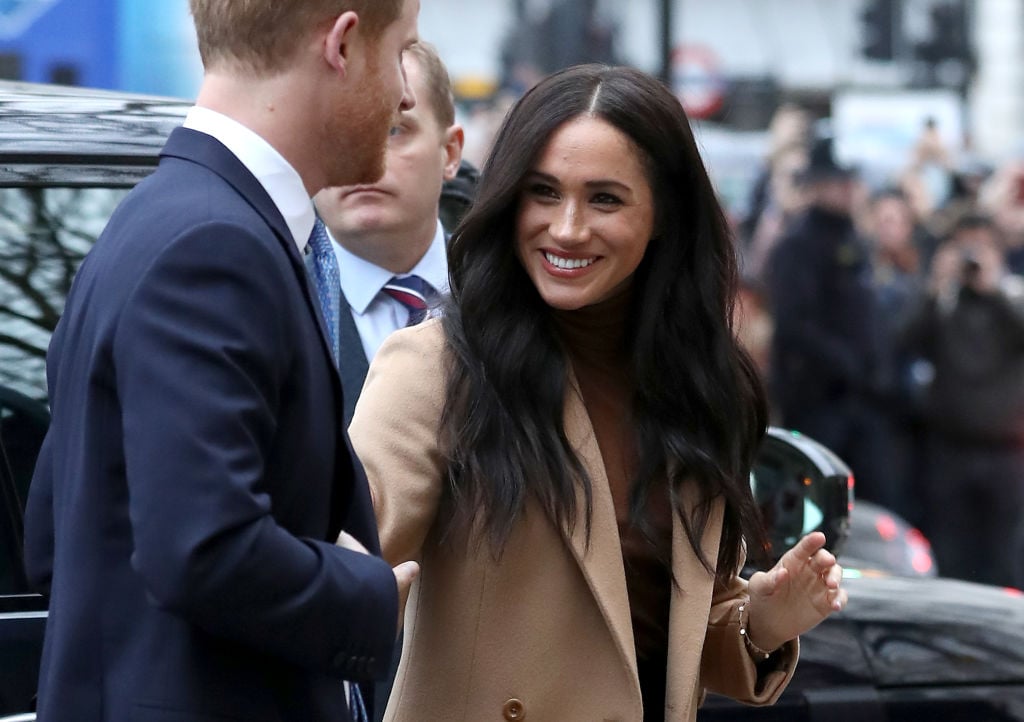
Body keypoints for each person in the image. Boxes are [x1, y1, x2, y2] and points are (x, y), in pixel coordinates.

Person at [348, 64, 846, 721]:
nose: (567, 228)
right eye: (543, 192)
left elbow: (659, 633)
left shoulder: (701, 387)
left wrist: (764, 621)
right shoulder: (437, 368)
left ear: (663, 214)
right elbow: (338, 570)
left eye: (605, 199)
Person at [22, 1, 420, 720]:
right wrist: (365, 595)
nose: (406, 94)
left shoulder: (160, 218)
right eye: (400, 53)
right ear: (343, 44)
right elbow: (202, 547)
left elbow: (58, 532)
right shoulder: (214, 243)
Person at [314, 41, 464, 424]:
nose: (364, 159)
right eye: (338, 131)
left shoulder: (511, 295)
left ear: (450, 152)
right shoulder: (270, 306)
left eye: (395, 129)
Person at [898, 213, 1024, 587]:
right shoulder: (943, 300)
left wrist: (994, 289)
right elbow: (901, 343)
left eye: (982, 246)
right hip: (948, 447)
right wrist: (935, 288)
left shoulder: (1014, 296)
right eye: (964, 246)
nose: (972, 257)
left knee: (1004, 556)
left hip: (1005, 452)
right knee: (950, 555)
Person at [765, 136, 890, 508]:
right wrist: (844, 362)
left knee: (872, 503)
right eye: (838, 181)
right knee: (820, 499)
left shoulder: (855, 238)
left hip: (862, 399)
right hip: (818, 399)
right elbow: (793, 324)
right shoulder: (797, 245)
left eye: (851, 180)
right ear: (816, 185)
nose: (848, 189)